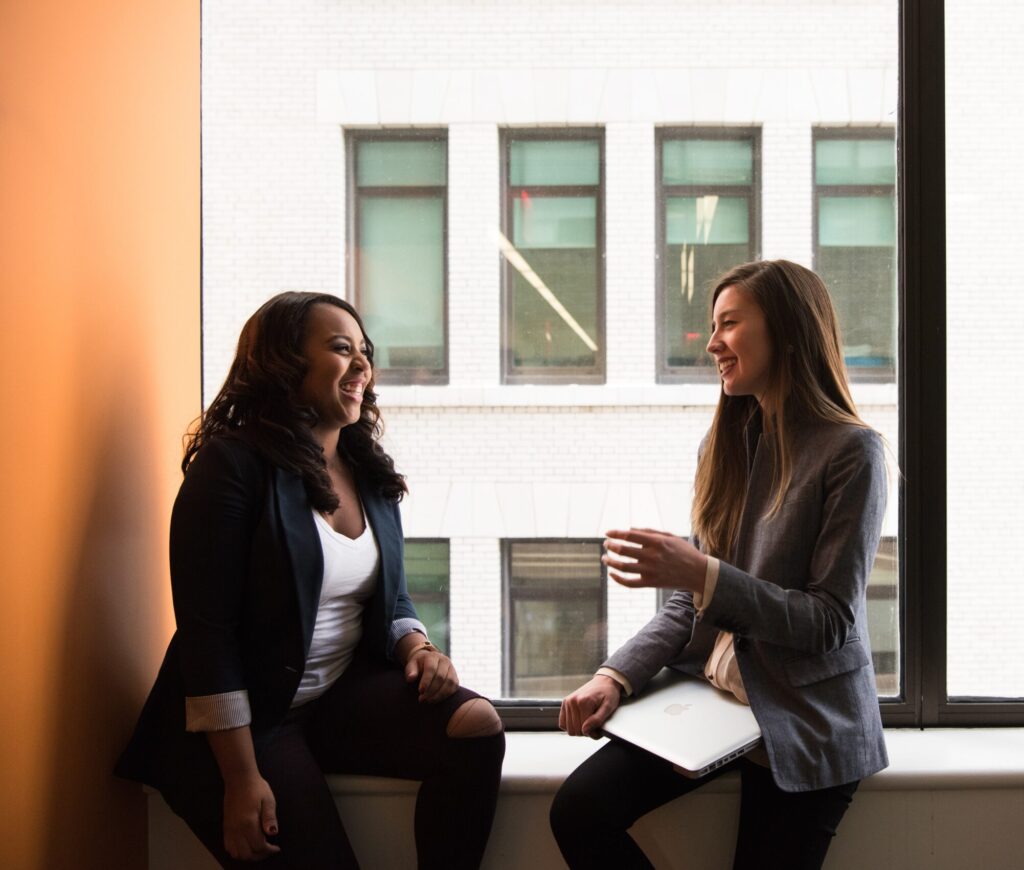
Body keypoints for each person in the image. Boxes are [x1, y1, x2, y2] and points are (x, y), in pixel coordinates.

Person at [116, 292, 505, 869]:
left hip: (329, 697)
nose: (362, 366)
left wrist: (418, 645)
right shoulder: (230, 466)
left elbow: (389, 594)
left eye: (365, 352)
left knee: (476, 727)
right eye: (341, 349)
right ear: (283, 362)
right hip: (245, 726)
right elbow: (208, 636)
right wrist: (241, 780)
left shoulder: (365, 469)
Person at [550, 260, 888, 870]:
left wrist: (701, 574)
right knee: (578, 811)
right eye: (713, 326)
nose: (711, 343)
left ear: (786, 331)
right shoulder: (725, 443)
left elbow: (829, 621)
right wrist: (614, 677)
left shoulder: (851, 451)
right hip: (718, 704)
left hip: (805, 719)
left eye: (729, 324)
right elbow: (690, 601)